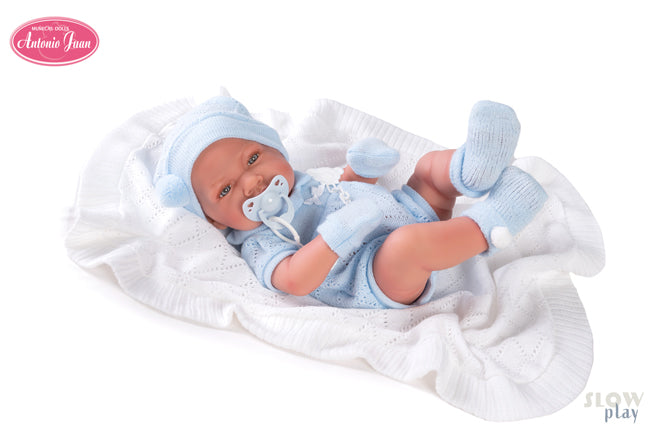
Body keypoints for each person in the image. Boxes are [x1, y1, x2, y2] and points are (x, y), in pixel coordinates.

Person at [154, 96, 547, 309]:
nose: (251, 182)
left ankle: (474, 169)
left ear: (276, 148)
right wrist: (334, 238)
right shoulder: (259, 242)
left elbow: (343, 198)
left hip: (401, 211)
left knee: (429, 170)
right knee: (407, 246)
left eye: (253, 158)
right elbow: (294, 280)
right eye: (225, 190)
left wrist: (360, 174)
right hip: (373, 275)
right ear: (214, 221)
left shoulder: (304, 181)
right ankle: (491, 225)